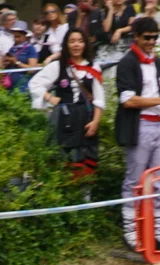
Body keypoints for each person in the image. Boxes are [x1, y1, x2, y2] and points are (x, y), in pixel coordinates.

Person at [115, 16, 160, 251]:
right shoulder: (127, 63)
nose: (152, 41)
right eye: (147, 37)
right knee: (135, 181)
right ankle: (131, 230)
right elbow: (127, 100)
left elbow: (157, 94)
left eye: (155, 37)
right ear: (136, 37)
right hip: (139, 125)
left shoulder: (159, 62)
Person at [30, 27, 103, 180]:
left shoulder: (93, 67)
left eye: (80, 41)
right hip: (65, 121)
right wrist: (49, 97)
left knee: (87, 162)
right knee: (65, 161)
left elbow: (99, 98)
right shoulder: (58, 66)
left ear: (85, 44)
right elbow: (35, 84)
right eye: (72, 41)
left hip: (86, 119)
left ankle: (85, 192)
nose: (76, 45)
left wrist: (96, 122)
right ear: (66, 45)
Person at [0, 20, 36, 91]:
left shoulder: (30, 49)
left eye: (19, 36)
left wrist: (16, 62)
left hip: (24, 86)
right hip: (10, 86)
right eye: (14, 36)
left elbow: (32, 69)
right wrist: (6, 62)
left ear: (25, 36)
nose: (16, 39)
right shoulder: (12, 49)